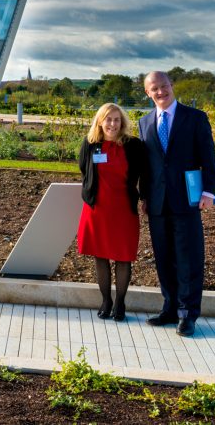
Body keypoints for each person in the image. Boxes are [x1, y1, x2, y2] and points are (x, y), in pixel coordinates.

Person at [138, 71, 215, 338]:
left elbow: (208, 157)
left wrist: (209, 191)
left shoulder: (195, 118)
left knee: (188, 258)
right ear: (148, 93)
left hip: (188, 201)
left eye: (164, 86)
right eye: (154, 89)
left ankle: (187, 315)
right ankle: (170, 308)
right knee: (164, 259)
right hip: (158, 204)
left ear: (172, 86)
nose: (161, 92)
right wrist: (144, 197)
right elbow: (147, 167)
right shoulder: (144, 122)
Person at [77, 103, 146, 322]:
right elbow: (83, 168)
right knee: (101, 256)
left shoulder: (134, 145)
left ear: (122, 123)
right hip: (97, 209)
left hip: (123, 210)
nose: (112, 124)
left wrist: (144, 197)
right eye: (108, 119)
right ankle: (106, 301)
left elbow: (145, 173)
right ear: (100, 121)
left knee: (123, 257)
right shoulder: (90, 145)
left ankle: (120, 303)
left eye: (117, 120)